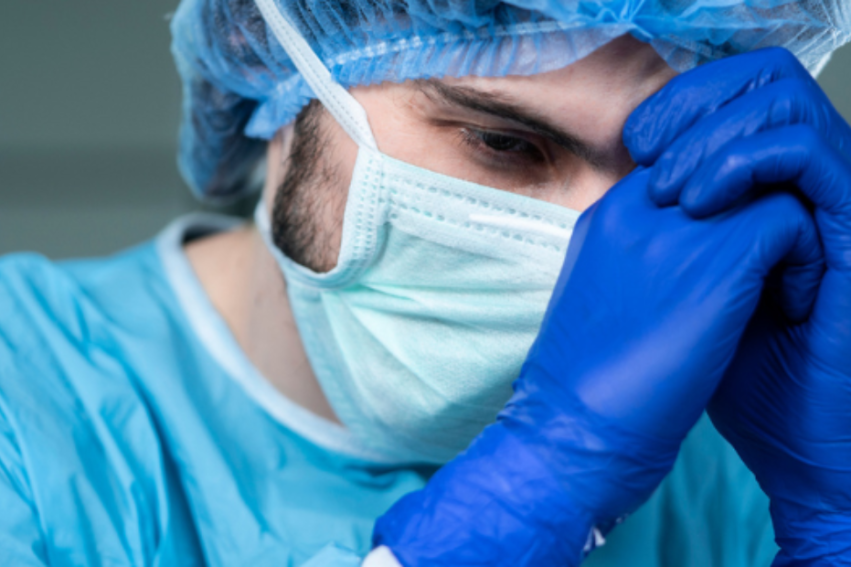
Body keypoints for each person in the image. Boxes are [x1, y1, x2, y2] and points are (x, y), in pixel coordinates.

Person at [1, 0, 851, 565]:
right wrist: (537, 485)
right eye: (504, 144)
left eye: (654, 172)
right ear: (270, 73)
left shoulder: (744, 461)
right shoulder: (28, 414)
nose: (597, 245)